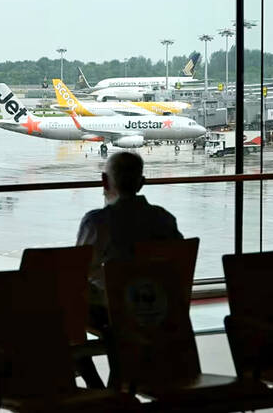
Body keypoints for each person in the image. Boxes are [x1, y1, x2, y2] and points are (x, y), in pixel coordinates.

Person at [75, 151, 183, 387]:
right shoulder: (165, 219)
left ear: (104, 181)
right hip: (156, 305)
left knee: (64, 308)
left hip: (114, 311)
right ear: (142, 183)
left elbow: (78, 270)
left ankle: (95, 385)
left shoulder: (98, 222)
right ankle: (117, 384)